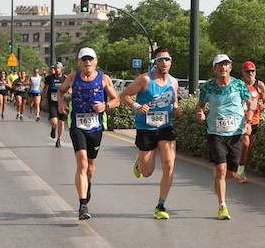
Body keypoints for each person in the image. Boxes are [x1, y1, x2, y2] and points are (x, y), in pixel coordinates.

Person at [57, 47, 120, 220]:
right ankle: (82, 204)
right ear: (79, 62)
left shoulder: (103, 79)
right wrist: (61, 103)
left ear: (95, 61)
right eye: (84, 60)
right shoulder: (72, 78)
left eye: (90, 59)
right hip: (77, 125)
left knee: (90, 166)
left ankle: (87, 183)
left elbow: (116, 100)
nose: (87, 63)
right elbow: (60, 91)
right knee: (82, 164)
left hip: (96, 127)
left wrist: (105, 106)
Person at [122, 48, 182, 219]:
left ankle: (161, 205)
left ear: (171, 61)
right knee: (147, 172)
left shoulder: (173, 82)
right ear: (155, 62)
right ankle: (140, 162)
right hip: (146, 128)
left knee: (169, 165)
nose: (164, 63)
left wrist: (176, 109)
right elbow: (124, 95)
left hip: (165, 126)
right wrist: (136, 107)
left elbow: (174, 100)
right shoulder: (144, 80)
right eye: (160, 60)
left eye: (167, 59)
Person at [195, 53, 252, 220]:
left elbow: (250, 103)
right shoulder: (208, 87)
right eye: (219, 64)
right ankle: (222, 206)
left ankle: (218, 183)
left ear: (230, 67)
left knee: (231, 173)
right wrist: (199, 113)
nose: (223, 67)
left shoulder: (239, 85)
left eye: (226, 64)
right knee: (220, 169)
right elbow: (200, 104)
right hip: (215, 133)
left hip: (235, 134)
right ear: (214, 68)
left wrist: (248, 121)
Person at [237, 60, 265, 182]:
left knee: (249, 148)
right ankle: (240, 171)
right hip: (241, 120)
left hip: (254, 120)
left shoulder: (259, 85)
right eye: (247, 71)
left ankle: (242, 168)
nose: (250, 73)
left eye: (252, 71)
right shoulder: (238, 85)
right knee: (245, 144)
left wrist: (262, 106)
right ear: (242, 72)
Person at [44, 62, 67, 146]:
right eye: (55, 68)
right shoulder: (49, 78)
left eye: (58, 68)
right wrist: (43, 99)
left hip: (63, 103)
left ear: (61, 69)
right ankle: (53, 128)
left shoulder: (65, 79)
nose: (57, 70)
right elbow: (45, 88)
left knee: (61, 122)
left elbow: (70, 89)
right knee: (54, 121)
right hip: (52, 102)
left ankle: (59, 139)